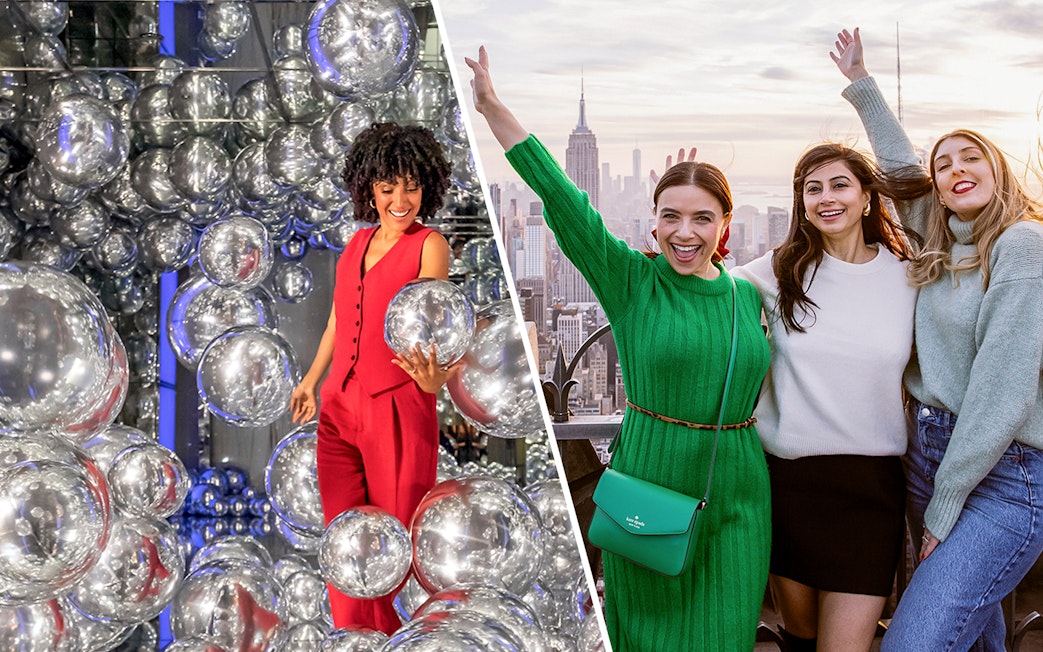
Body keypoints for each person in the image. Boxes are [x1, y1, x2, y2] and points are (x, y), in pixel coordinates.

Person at [466, 46, 772, 651]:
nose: (686, 233)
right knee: (649, 637)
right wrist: (494, 109)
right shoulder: (633, 282)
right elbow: (566, 202)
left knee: (727, 635)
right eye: (671, 217)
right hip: (652, 479)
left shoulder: (748, 293)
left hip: (739, 488)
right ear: (652, 224)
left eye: (702, 218)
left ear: (726, 226)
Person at [833, 27, 1043, 650]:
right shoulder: (942, 238)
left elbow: (1003, 391)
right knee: (976, 641)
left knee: (915, 640)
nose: (955, 170)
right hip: (930, 454)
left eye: (970, 157)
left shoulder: (1022, 246)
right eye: (944, 164)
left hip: (1005, 474)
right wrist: (862, 84)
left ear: (997, 168)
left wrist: (946, 504)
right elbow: (900, 172)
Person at [288, 121, 455, 634]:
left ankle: (392, 642)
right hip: (339, 408)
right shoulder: (355, 245)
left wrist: (435, 386)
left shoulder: (431, 244)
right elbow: (340, 318)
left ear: (427, 185)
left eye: (411, 186)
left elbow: (434, 324)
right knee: (346, 548)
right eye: (388, 189)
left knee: (393, 550)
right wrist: (312, 379)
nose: (400, 199)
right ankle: (353, 642)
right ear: (369, 190)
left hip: (399, 406)